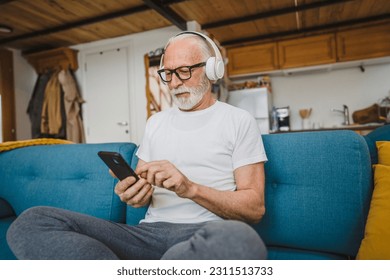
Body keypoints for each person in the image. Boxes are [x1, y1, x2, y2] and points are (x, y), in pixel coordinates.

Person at [7, 31, 268, 260]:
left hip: (202, 235)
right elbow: (141, 197)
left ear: (212, 70)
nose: (174, 83)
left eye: (184, 71)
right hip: (145, 236)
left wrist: (190, 188)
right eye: (167, 73)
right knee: (33, 221)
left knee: (240, 239)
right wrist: (133, 194)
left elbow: (254, 208)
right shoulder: (156, 122)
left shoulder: (238, 120)